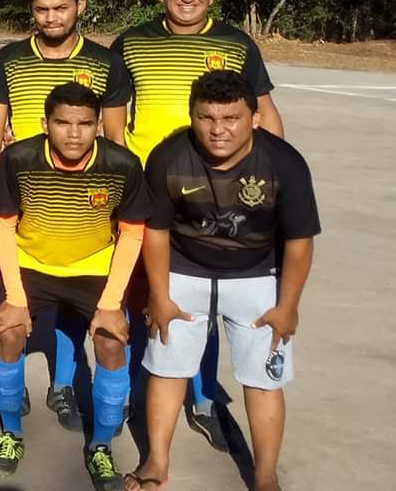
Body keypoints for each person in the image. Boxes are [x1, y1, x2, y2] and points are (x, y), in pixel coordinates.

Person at [112, 0, 284, 448]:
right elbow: (114, 119)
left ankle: (205, 402)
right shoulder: (133, 43)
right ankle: (139, 392)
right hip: (151, 193)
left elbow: (266, 117)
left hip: (218, 200)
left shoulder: (235, 44)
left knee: (206, 300)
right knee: (145, 297)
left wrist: (270, 184)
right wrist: (124, 176)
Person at [125, 72, 318, 491]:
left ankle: (265, 476)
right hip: (183, 271)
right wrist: (159, 295)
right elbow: (155, 233)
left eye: (231, 118)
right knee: (167, 370)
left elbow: (300, 243)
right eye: (206, 117)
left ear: (254, 117)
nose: (218, 129)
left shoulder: (285, 163)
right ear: (191, 116)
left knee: (263, 380)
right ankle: (156, 462)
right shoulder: (168, 157)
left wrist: (287, 306)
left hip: (256, 275)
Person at [0, 0, 132, 429]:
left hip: (86, 196)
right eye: (42, 9)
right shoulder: (8, 59)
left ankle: (63, 386)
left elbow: (115, 138)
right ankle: (12, 387)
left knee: (73, 304)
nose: (51, 17)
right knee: (14, 303)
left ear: (79, 7)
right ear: (32, 12)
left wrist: (114, 205)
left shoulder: (107, 63)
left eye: (61, 8)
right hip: (23, 195)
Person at [0, 83, 149, 490]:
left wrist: (111, 303)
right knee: (6, 333)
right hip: (31, 264)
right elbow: (4, 225)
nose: (73, 134)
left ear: (98, 126)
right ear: (45, 124)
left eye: (84, 124)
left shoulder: (123, 164)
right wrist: (16, 299)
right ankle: (11, 433)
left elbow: (131, 234)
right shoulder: (19, 158)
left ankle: (100, 446)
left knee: (112, 342)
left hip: (92, 267)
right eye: (63, 123)